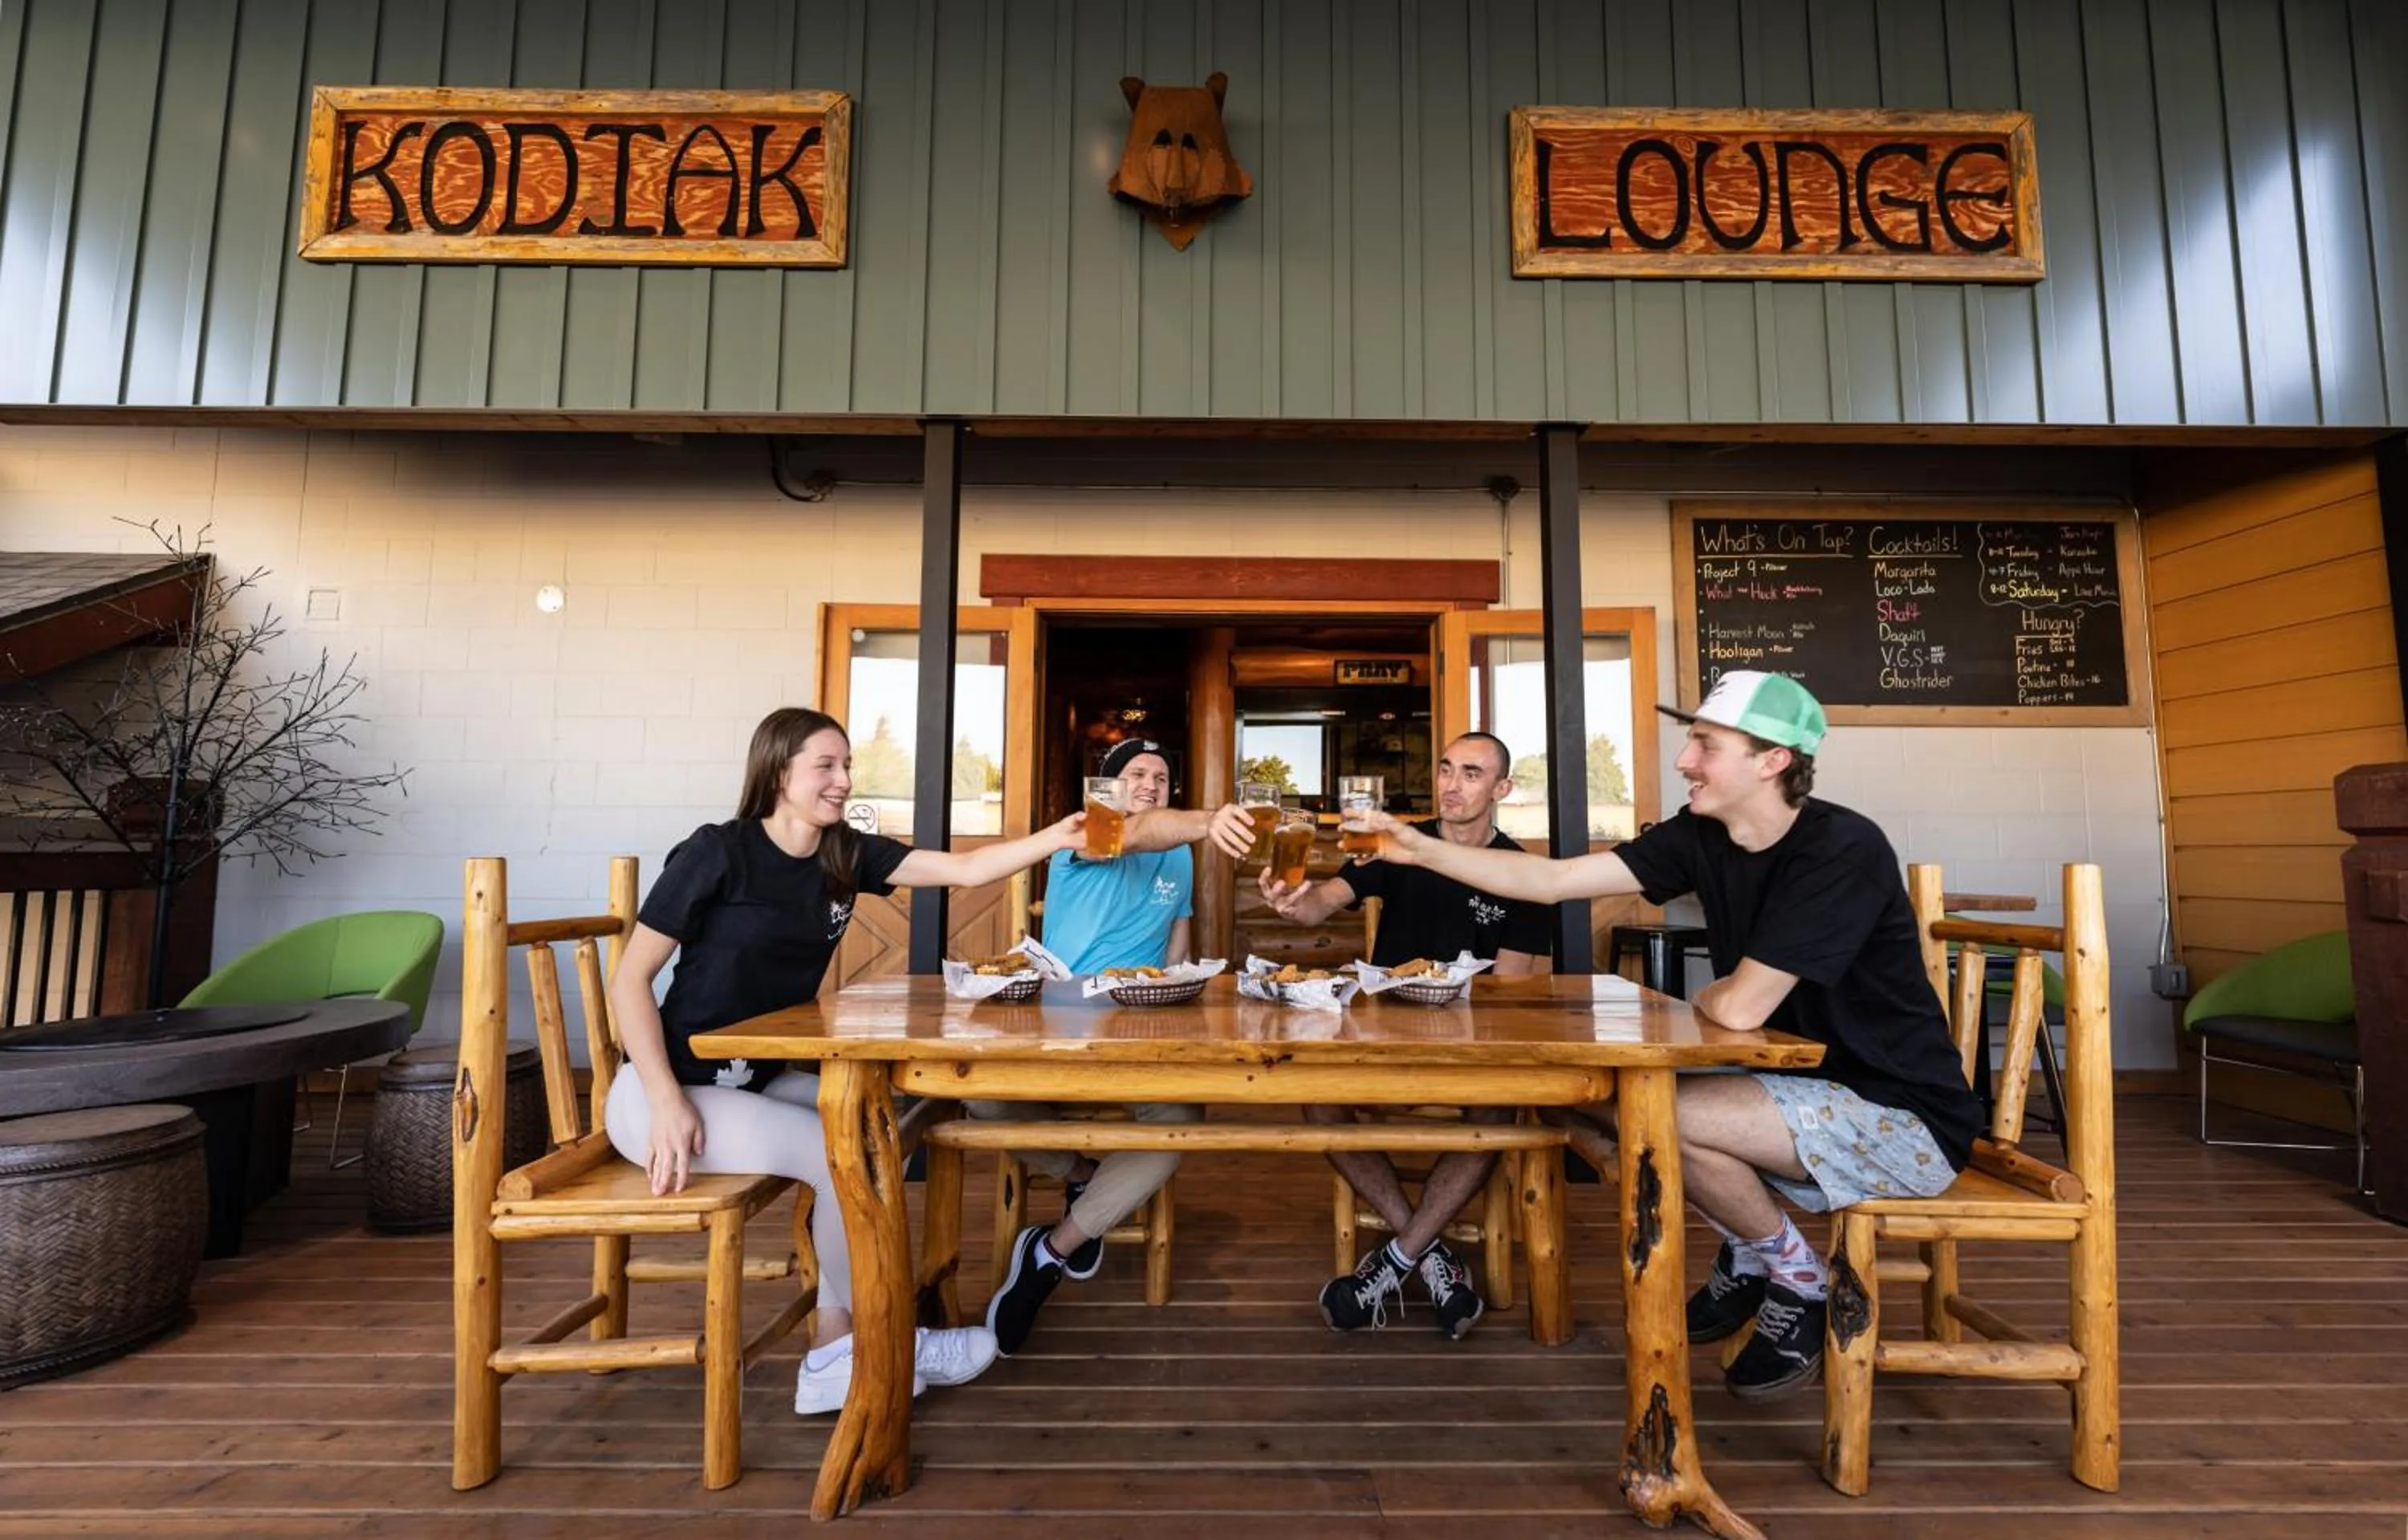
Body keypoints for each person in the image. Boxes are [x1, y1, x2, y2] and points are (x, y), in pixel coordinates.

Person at [1350, 672, 1980, 1401]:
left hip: (1897, 1117)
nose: (1684, 760)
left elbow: (1740, 1009)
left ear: (1772, 760)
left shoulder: (1840, 848)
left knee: (1655, 1114)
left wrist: (1714, 994)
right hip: (1793, 1092)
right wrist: (1417, 849)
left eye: (1705, 745)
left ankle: (1797, 1279)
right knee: (1584, 1098)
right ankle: (1755, 1256)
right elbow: (1552, 881)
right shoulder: (1701, 835)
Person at [604, 706, 1092, 1416]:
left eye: (847, 765)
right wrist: (667, 1102)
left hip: (754, 1083)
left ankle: (837, 1347)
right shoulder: (718, 851)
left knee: (870, 1133)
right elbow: (628, 980)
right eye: (825, 766)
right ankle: (885, 1333)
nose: (842, 780)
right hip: (661, 1093)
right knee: (833, 1149)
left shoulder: (845, 856)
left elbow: (964, 867)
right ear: (778, 772)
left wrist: (1057, 834)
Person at [1259, 731, 1555, 1339]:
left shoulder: (1523, 873)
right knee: (1318, 1096)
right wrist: (1292, 903)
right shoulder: (1392, 846)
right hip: (1380, 1036)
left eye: (1471, 774)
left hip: (1470, 1042)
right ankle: (1427, 1249)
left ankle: (1395, 1259)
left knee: (1501, 1105)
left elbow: (1511, 989)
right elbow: (1321, 905)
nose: (1452, 783)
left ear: (1501, 790)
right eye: (1446, 769)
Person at [978, 735, 1255, 1355]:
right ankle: (1086, 1175)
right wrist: (1209, 821)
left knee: (1179, 1125)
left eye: (1160, 775)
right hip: (1065, 1016)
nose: (1151, 784)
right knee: (981, 1103)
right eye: (1136, 774)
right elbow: (1137, 833)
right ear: (1107, 788)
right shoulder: (1090, 833)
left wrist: (1180, 996)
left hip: (1143, 1021)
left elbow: (1176, 941)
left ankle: (1051, 1250)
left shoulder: (1178, 852)